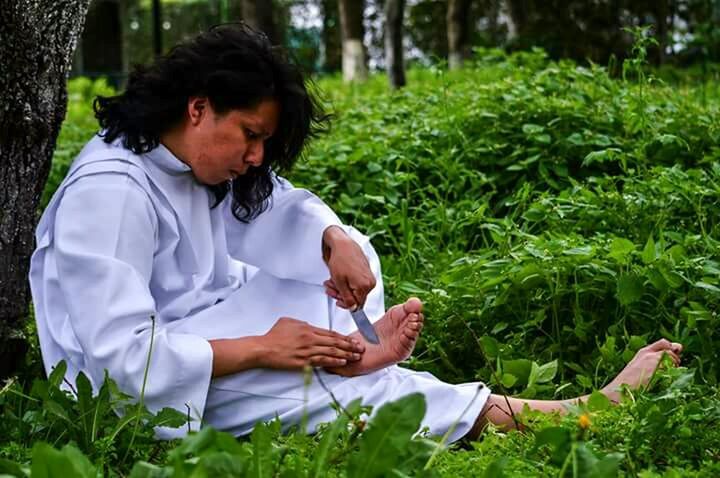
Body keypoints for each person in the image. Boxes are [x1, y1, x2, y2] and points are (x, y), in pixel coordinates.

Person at [29, 24, 682, 442]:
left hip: (205, 324)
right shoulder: (110, 194)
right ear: (198, 107)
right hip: (145, 387)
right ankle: (572, 413)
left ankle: (345, 356)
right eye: (251, 135)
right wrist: (260, 348)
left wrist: (330, 238)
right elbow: (117, 360)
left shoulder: (190, 156)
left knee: (344, 266)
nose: (257, 157)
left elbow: (275, 208)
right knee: (356, 393)